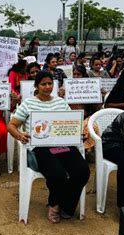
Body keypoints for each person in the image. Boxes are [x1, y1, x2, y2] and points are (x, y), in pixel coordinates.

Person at [7, 71, 90, 223]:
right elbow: (11, 125)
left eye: (50, 83)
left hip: (63, 143)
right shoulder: (28, 103)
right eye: (43, 84)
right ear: (36, 86)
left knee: (82, 171)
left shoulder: (60, 102)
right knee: (57, 174)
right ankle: (54, 204)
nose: (47, 87)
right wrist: (20, 135)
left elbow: (71, 123)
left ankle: (66, 205)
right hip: (40, 146)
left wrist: (80, 132)